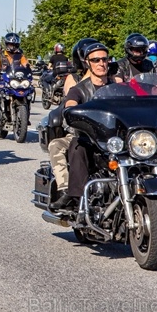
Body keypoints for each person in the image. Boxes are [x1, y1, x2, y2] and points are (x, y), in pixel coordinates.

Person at [50, 42, 113, 211]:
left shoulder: (117, 87)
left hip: (114, 138)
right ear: (87, 63)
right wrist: (71, 110)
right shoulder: (79, 89)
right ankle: (73, 196)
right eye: (96, 60)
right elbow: (70, 102)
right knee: (77, 147)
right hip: (88, 136)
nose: (101, 63)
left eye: (104, 59)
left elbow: (134, 101)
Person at [0, 33, 30, 126]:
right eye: (11, 44)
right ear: (7, 44)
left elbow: (26, 64)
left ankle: (26, 115)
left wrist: (30, 68)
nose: (13, 47)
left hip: (16, 80)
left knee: (29, 92)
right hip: (2, 79)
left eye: (14, 45)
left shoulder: (20, 56)